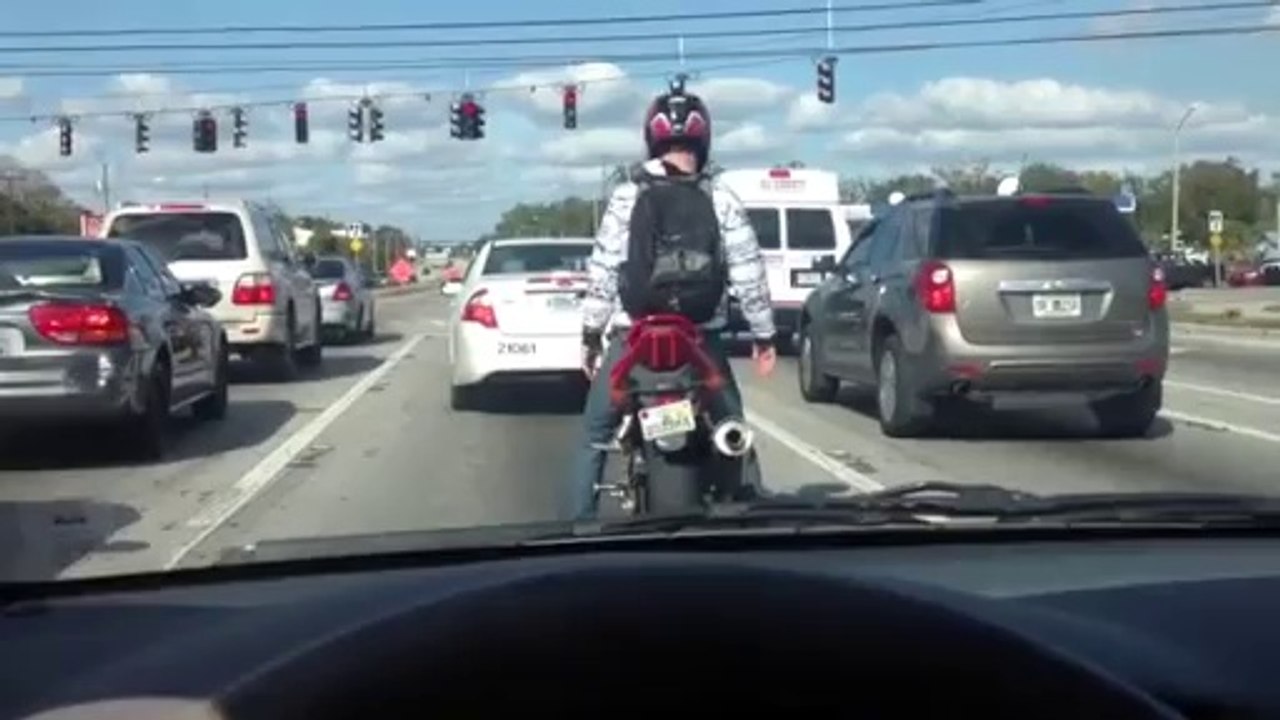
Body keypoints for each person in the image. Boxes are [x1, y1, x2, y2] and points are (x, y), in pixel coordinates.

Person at [568, 83, 778, 521]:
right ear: (704, 141)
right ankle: (752, 514)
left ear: (652, 139)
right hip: (700, 337)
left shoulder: (627, 197)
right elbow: (748, 271)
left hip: (635, 334)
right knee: (732, 426)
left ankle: (576, 530)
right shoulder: (720, 197)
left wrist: (590, 334)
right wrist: (764, 333)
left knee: (594, 436)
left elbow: (604, 271)